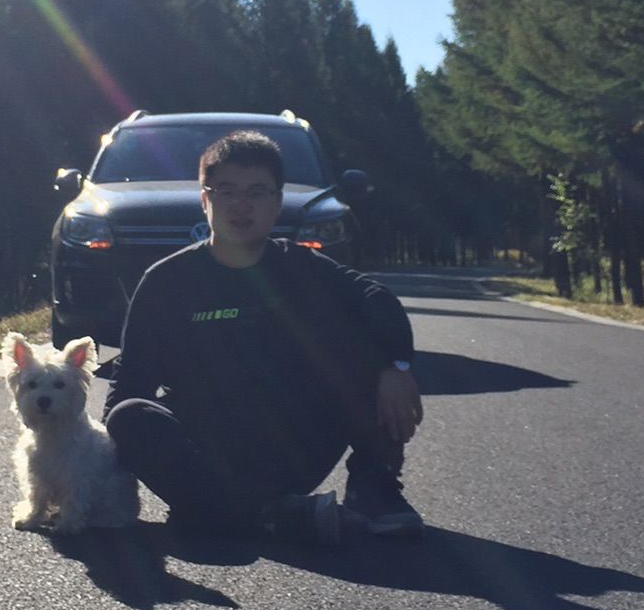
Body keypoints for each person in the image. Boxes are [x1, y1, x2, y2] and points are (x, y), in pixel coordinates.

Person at [104, 130, 425, 544]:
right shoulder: (166, 282)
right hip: (205, 451)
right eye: (226, 191)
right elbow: (129, 386)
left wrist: (395, 365)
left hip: (294, 444)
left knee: (372, 354)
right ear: (205, 199)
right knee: (127, 414)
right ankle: (267, 515)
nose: (241, 205)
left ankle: (372, 487)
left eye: (257, 192)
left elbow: (377, 300)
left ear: (277, 203)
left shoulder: (304, 267)